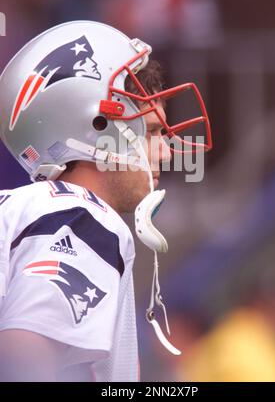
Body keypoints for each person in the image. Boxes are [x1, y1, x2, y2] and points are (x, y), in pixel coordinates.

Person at [0, 21, 212, 381]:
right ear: (99, 126)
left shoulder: (25, 208)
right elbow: (23, 360)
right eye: (155, 131)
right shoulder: (81, 215)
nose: (165, 151)